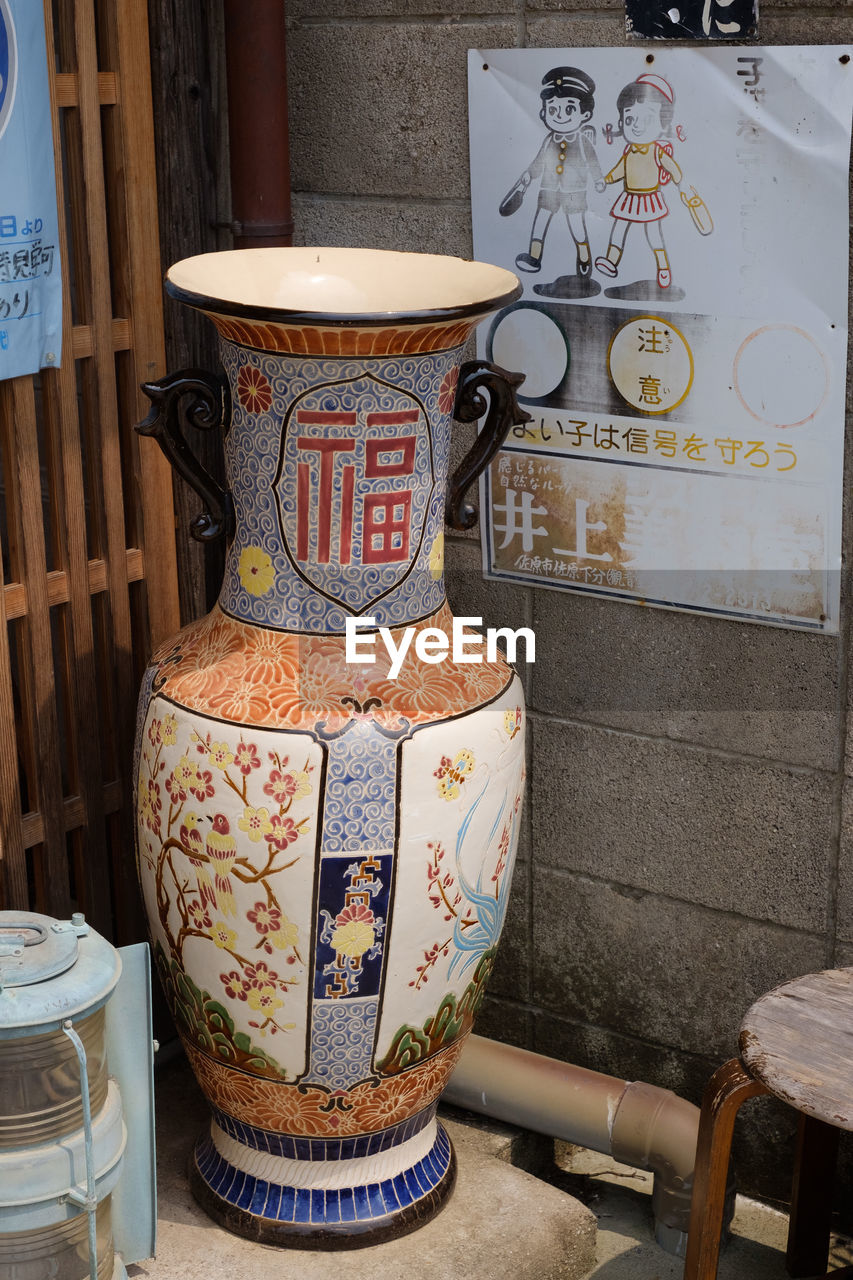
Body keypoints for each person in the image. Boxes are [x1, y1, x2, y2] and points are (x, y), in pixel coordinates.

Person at [500, 66, 604, 279]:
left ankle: (584, 257)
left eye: (568, 109)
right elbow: (539, 160)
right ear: (544, 112)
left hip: (574, 192)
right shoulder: (549, 139)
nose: (560, 116)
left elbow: (592, 161)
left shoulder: (582, 141)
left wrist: (599, 179)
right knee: (540, 222)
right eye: (553, 109)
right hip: (548, 189)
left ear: (584, 113)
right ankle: (534, 257)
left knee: (577, 225)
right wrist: (529, 175)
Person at [594, 73, 682, 289]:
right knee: (618, 228)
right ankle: (611, 261)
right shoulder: (629, 150)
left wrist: (681, 182)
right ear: (622, 121)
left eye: (647, 118)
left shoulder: (657, 151)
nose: (636, 126)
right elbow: (620, 170)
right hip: (629, 197)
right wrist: (606, 180)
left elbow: (672, 167)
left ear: (663, 124)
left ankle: (663, 267)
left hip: (650, 198)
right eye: (630, 118)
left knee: (653, 234)